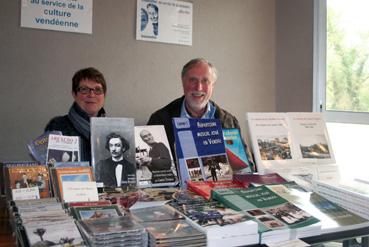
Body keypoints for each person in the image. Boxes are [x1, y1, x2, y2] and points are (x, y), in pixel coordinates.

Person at [147, 58, 245, 159]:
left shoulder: (230, 122)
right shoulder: (159, 120)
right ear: (183, 82)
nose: (198, 88)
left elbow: (245, 168)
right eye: (193, 80)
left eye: (205, 81)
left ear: (213, 86)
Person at [44, 67, 107, 163]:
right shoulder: (57, 126)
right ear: (74, 94)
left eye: (97, 90)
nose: (91, 95)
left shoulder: (113, 129)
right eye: (84, 89)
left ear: (104, 95)